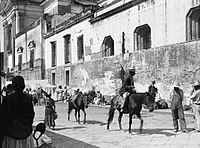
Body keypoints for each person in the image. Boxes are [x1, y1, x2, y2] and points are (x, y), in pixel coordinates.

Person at [2, 76, 35, 148]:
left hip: (11, 135)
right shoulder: (28, 99)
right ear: (23, 86)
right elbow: (31, 115)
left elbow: (3, 118)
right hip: (26, 134)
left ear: (13, 86)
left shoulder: (8, 99)